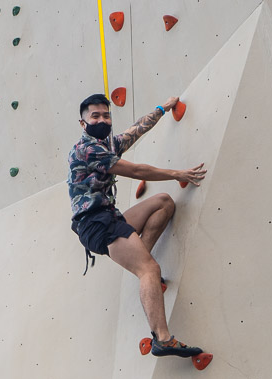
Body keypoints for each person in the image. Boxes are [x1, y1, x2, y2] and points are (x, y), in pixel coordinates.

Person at [69, 93, 208, 357]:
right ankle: (163, 339)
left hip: (109, 217)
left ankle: (144, 267)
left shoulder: (108, 143)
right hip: (95, 223)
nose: (101, 120)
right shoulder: (87, 149)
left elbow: (136, 130)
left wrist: (161, 109)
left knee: (163, 203)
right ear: (82, 123)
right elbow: (136, 172)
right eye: (94, 116)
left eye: (106, 115)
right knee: (149, 269)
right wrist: (177, 173)